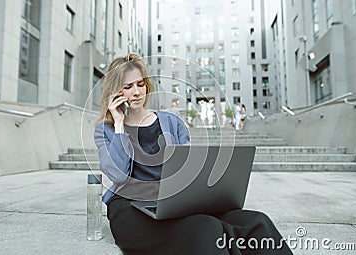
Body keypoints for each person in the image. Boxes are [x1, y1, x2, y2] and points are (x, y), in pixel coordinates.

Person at [94, 53, 292, 255]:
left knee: (258, 223)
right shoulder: (106, 130)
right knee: (205, 228)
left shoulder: (172, 121)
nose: (136, 92)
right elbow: (117, 175)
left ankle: (228, 238)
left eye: (140, 84)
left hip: (175, 201)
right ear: (115, 92)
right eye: (128, 87)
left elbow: (188, 167)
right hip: (132, 208)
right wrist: (119, 124)